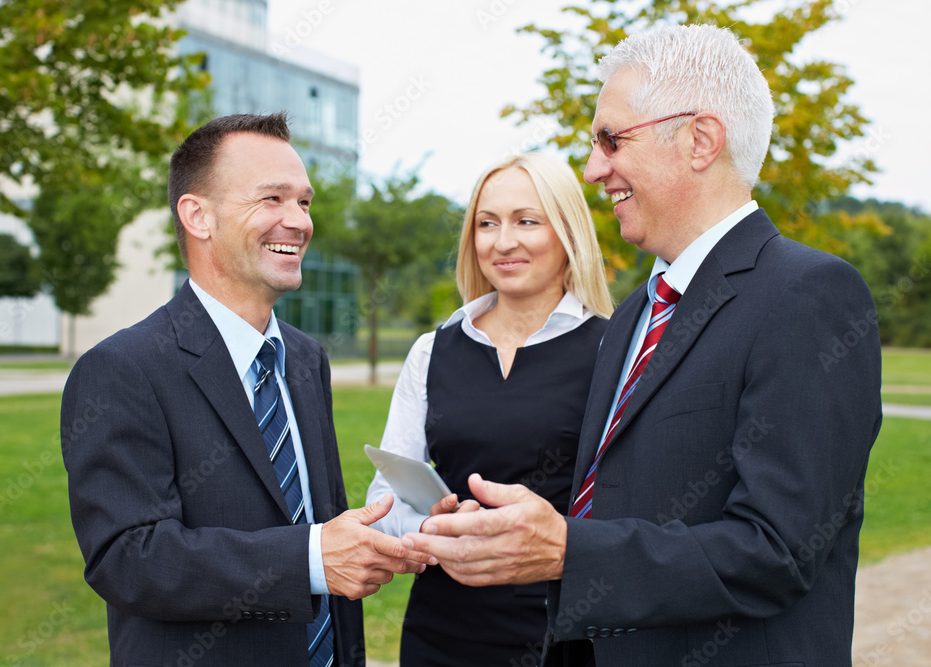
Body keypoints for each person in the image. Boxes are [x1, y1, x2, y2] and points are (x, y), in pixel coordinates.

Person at [403, 25, 882, 667]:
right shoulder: (634, 315)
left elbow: (778, 550)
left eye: (610, 140)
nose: (594, 168)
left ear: (700, 140)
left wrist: (568, 549)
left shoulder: (810, 296)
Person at [61, 113, 431, 667]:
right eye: (272, 199)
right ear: (198, 216)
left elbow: (321, 524)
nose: (299, 222)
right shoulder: (122, 369)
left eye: (304, 202)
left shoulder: (305, 358)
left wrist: (391, 535)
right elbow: (130, 557)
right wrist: (310, 558)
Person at [365, 151, 614, 666]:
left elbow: (635, 508)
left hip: (565, 633)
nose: (503, 242)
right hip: (441, 631)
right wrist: (434, 526)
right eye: (486, 223)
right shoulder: (431, 351)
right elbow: (385, 500)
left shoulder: (615, 350)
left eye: (527, 221)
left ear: (567, 232)